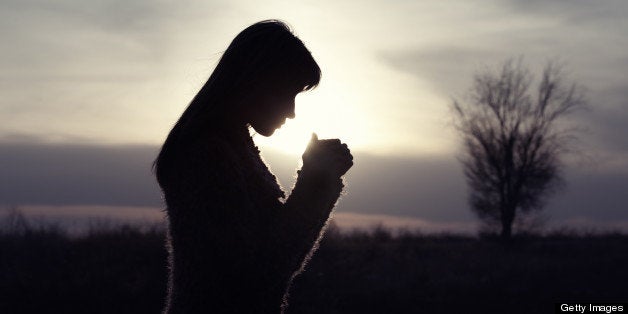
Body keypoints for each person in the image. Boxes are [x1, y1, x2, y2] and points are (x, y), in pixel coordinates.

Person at [153, 20, 353, 314]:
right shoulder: (205, 155)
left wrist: (319, 179)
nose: (292, 112)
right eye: (288, 93)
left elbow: (272, 251)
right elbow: (257, 275)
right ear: (257, 84)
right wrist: (313, 183)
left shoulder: (231, 147)